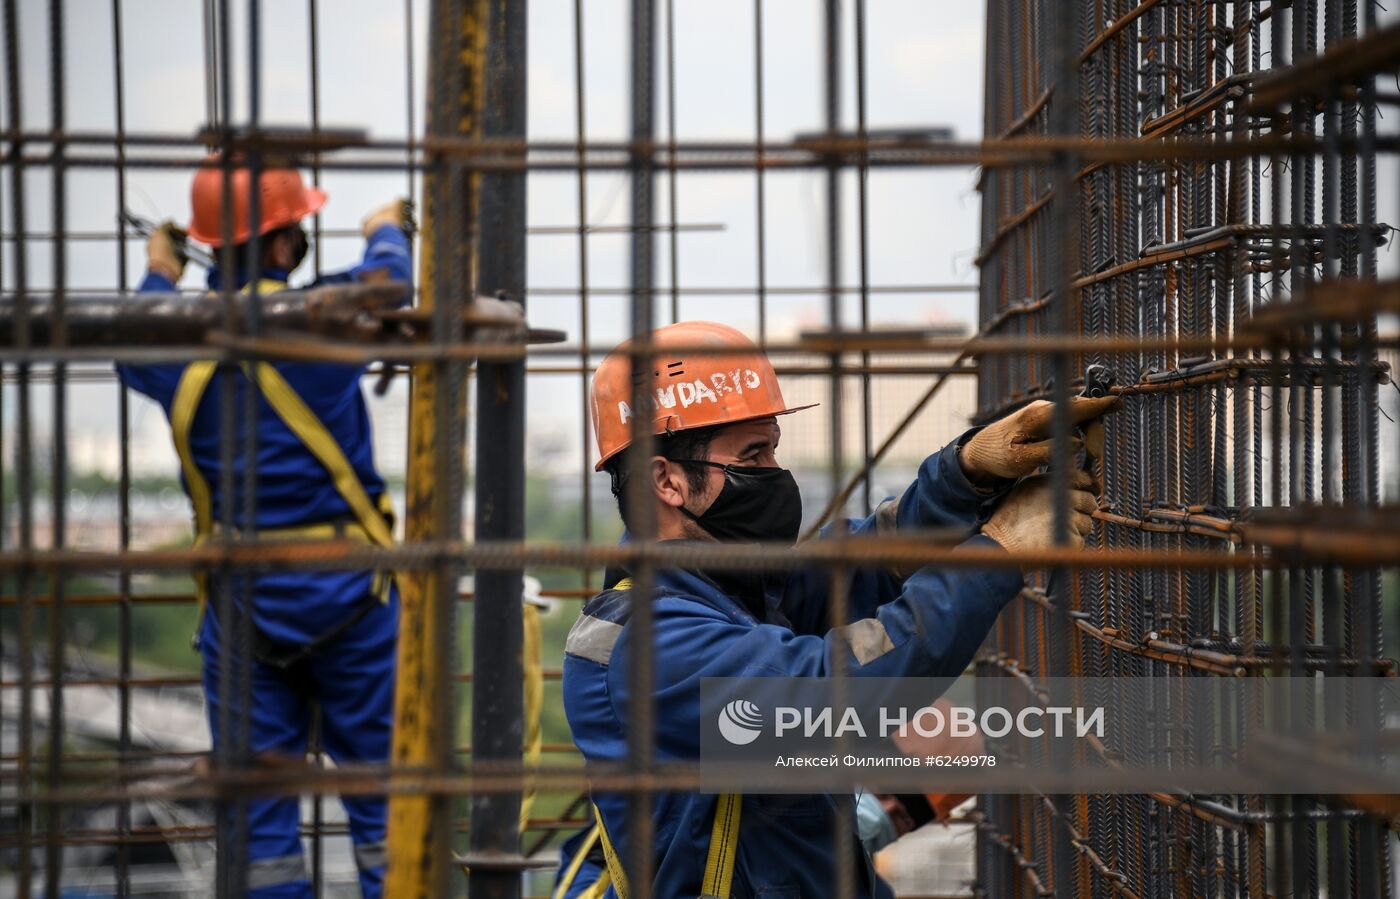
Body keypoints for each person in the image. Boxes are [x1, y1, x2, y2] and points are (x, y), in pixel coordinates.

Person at [556, 320, 1115, 899]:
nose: (776, 473)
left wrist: (968, 471)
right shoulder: (649, 642)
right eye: (753, 455)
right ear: (666, 481)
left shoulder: (733, 595)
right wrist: (995, 556)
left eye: (773, 448)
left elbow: (860, 563)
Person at [117, 156, 412, 898]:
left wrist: (160, 269)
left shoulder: (171, 348)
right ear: (283, 243)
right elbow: (389, 285)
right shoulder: (321, 317)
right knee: (387, 806)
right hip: (353, 600)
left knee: (261, 824)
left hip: (242, 608)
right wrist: (385, 230)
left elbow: (131, 333)